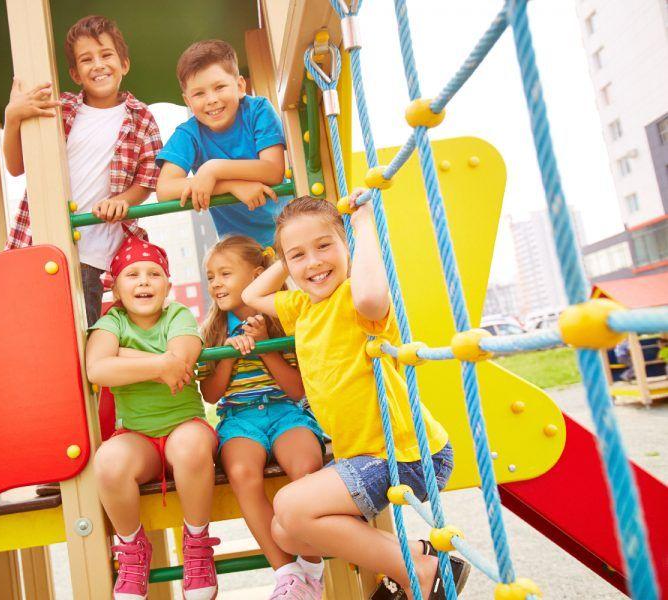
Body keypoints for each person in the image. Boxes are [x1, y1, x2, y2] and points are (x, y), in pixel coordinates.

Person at [242, 194, 470, 599]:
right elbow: (250, 296)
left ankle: (416, 568)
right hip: (363, 456)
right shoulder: (303, 308)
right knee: (286, 531)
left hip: (403, 453)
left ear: (347, 245)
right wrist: (286, 252)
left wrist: (363, 225)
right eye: (299, 256)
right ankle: (417, 556)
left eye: (325, 246)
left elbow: (370, 297)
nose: (313, 262)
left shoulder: (356, 297)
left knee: (292, 506)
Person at [3, 15, 162, 327]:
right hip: (41, 241)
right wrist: (12, 117)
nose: (98, 65)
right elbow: (16, 165)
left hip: (92, 251)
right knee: (32, 325)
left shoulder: (141, 117)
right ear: (75, 73)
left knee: (79, 330)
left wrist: (124, 200)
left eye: (106, 55)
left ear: (124, 64)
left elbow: (148, 178)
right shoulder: (59, 110)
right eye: (87, 60)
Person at [86, 232, 219, 600]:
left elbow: (182, 357)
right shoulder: (112, 322)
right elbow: (96, 369)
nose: (144, 281)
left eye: (153, 274)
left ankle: (196, 542)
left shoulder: (176, 314)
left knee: (192, 447)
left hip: (185, 426)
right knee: (109, 462)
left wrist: (126, 359)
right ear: (115, 288)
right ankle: (132, 548)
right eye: (133, 275)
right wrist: (158, 363)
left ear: (167, 285)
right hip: (137, 437)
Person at [199, 235, 326, 598]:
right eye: (211, 277)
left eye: (225, 273)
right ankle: (286, 571)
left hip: (286, 412)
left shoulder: (284, 319)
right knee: (241, 472)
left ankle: (311, 565)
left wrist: (267, 345)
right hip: (239, 419)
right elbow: (210, 394)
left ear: (257, 275)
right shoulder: (214, 329)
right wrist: (227, 354)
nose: (216, 283)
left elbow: (298, 391)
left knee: (305, 465)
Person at [156, 39, 286, 248]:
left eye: (219, 87)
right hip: (241, 247)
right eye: (199, 93)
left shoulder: (258, 110)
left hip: (286, 227)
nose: (211, 99)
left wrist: (213, 169)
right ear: (188, 101)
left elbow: (273, 170)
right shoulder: (189, 134)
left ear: (240, 86)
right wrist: (232, 186)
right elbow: (165, 190)